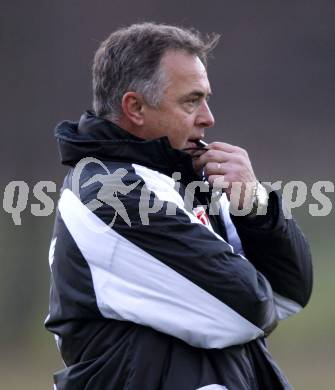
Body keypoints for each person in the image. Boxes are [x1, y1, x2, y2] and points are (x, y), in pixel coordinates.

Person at [45, 22, 313, 390]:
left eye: (205, 98)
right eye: (191, 100)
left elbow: (288, 295)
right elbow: (248, 310)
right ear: (135, 107)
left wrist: (256, 206)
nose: (208, 117)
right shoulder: (109, 192)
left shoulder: (186, 178)